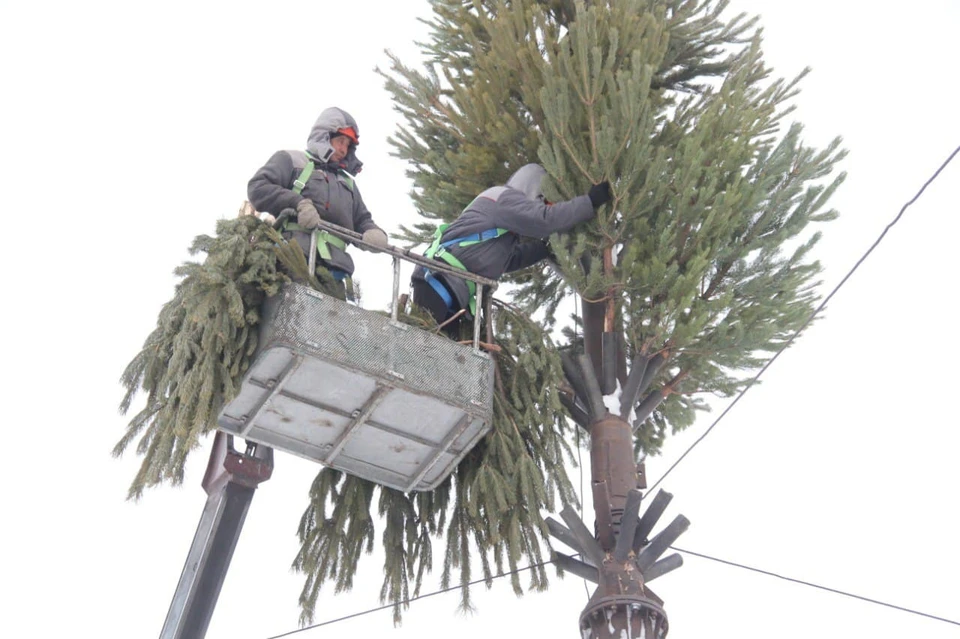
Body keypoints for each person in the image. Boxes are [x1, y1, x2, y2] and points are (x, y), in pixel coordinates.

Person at [411, 163, 611, 330]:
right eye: (546, 201)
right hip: (437, 282)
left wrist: (544, 249)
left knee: (440, 351)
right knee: (425, 346)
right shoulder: (504, 198)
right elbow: (545, 220)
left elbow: (508, 260)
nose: (546, 207)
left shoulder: (505, 223)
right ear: (536, 191)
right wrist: (589, 202)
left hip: (446, 287)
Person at [247, 107, 388, 282]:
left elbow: (361, 219)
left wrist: (373, 232)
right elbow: (258, 187)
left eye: (348, 145)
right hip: (291, 262)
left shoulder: (348, 184)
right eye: (340, 141)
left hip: (334, 273)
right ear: (324, 136)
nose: (344, 149)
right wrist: (298, 204)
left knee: (330, 310)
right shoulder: (293, 160)